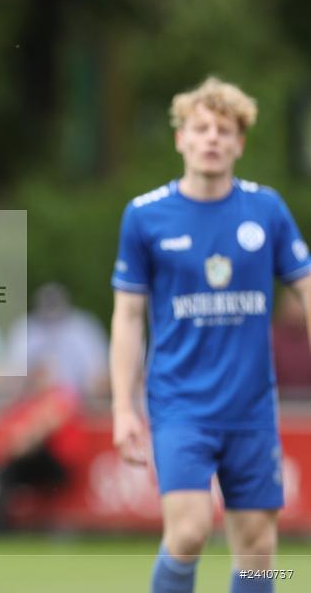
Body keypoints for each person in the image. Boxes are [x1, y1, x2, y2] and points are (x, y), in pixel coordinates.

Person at [110, 76, 311, 593]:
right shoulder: (146, 215)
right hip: (181, 406)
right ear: (181, 138)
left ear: (240, 142)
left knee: (258, 553)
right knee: (190, 531)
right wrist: (123, 407)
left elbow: (306, 289)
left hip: (251, 408)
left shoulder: (266, 210)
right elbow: (128, 316)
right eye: (201, 129)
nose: (212, 139)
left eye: (224, 130)